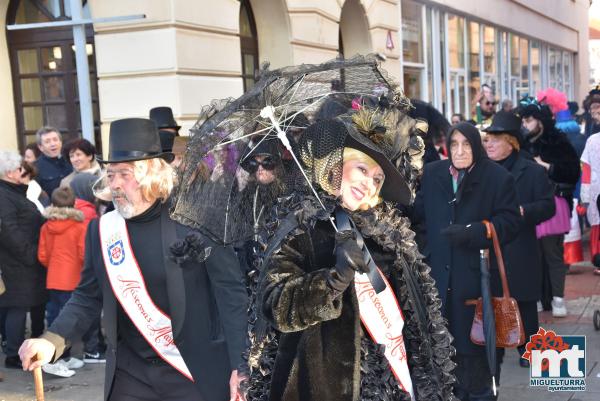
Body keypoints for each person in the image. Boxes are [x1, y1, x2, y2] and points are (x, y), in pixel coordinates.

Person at [19, 118, 247, 401]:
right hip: (131, 374)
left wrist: (241, 365)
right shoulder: (102, 230)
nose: (114, 184)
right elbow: (88, 296)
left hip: (192, 371)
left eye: (123, 174)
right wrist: (51, 340)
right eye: (110, 174)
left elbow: (231, 295)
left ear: (151, 173)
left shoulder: (198, 223)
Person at [251, 105, 456, 401]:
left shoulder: (387, 233)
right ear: (337, 164)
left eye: (377, 179)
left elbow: (416, 320)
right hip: (324, 386)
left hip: (390, 384)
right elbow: (275, 304)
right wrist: (333, 279)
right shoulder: (300, 228)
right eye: (362, 169)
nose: (368, 184)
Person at [414, 122, 521, 401]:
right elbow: (416, 214)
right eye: (454, 144)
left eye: (466, 144)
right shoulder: (434, 173)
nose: (460, 150)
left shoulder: (497, 177)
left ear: (476, 145)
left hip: (478, 286)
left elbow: (511, 222)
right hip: (438, 286)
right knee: (443, 360)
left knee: (478, 366)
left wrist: (476, 231)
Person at [482, 111, 555, 368]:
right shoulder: (480, 170)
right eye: (486, 139)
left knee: (523, 300)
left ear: (511, 142)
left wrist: (525, 211)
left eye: (494, 139)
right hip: (488, 245)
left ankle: (530, 349)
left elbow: (548, 207)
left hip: (521, 246)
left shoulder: (532, 171)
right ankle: (495, 346)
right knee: (490, 298)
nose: (488, 144)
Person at [518, 94, 580, 316]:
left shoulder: (558, 142)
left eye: (529, 120)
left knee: (552, 252)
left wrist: (545, 166)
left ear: (540, 120)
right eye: (523, 121)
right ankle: (536, 297)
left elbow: (573, 171)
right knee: (531, 253)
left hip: (555, 203)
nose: (525, 125)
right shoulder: (522, 144)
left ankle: (557, 299)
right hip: (529, 203)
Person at [0, 150, 46, 369]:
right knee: (16, 307)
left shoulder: (11, 192)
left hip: (22, 259)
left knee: (19, 306)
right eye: (20, 168)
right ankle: (13, 354)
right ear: (10, 173)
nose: (23, 171)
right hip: (17, 262)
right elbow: (8, 229)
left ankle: (18, 349)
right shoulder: (4, 195)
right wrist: (30, 253)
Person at [37, 186, 88, 378]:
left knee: (54, 318)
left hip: (53, 278)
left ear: (52, 204)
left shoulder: (45, 227)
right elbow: (84, 255)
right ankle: (59, 358)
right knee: (69, 320)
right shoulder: (80, 227)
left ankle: (56, 356)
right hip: (74, 279)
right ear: (74, 204)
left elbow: (42, 255)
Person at [580, 99, 600, 275]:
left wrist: (584, 199)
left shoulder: (593, 141)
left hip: (596, 189)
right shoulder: (592, 140)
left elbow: (586, 171)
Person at [34, 126, 72, 197]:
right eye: (47, 141)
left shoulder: (71, 160)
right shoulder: (35, 168)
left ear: (61, 142)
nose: (53, 144)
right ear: (40, 147)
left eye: (55, 140)